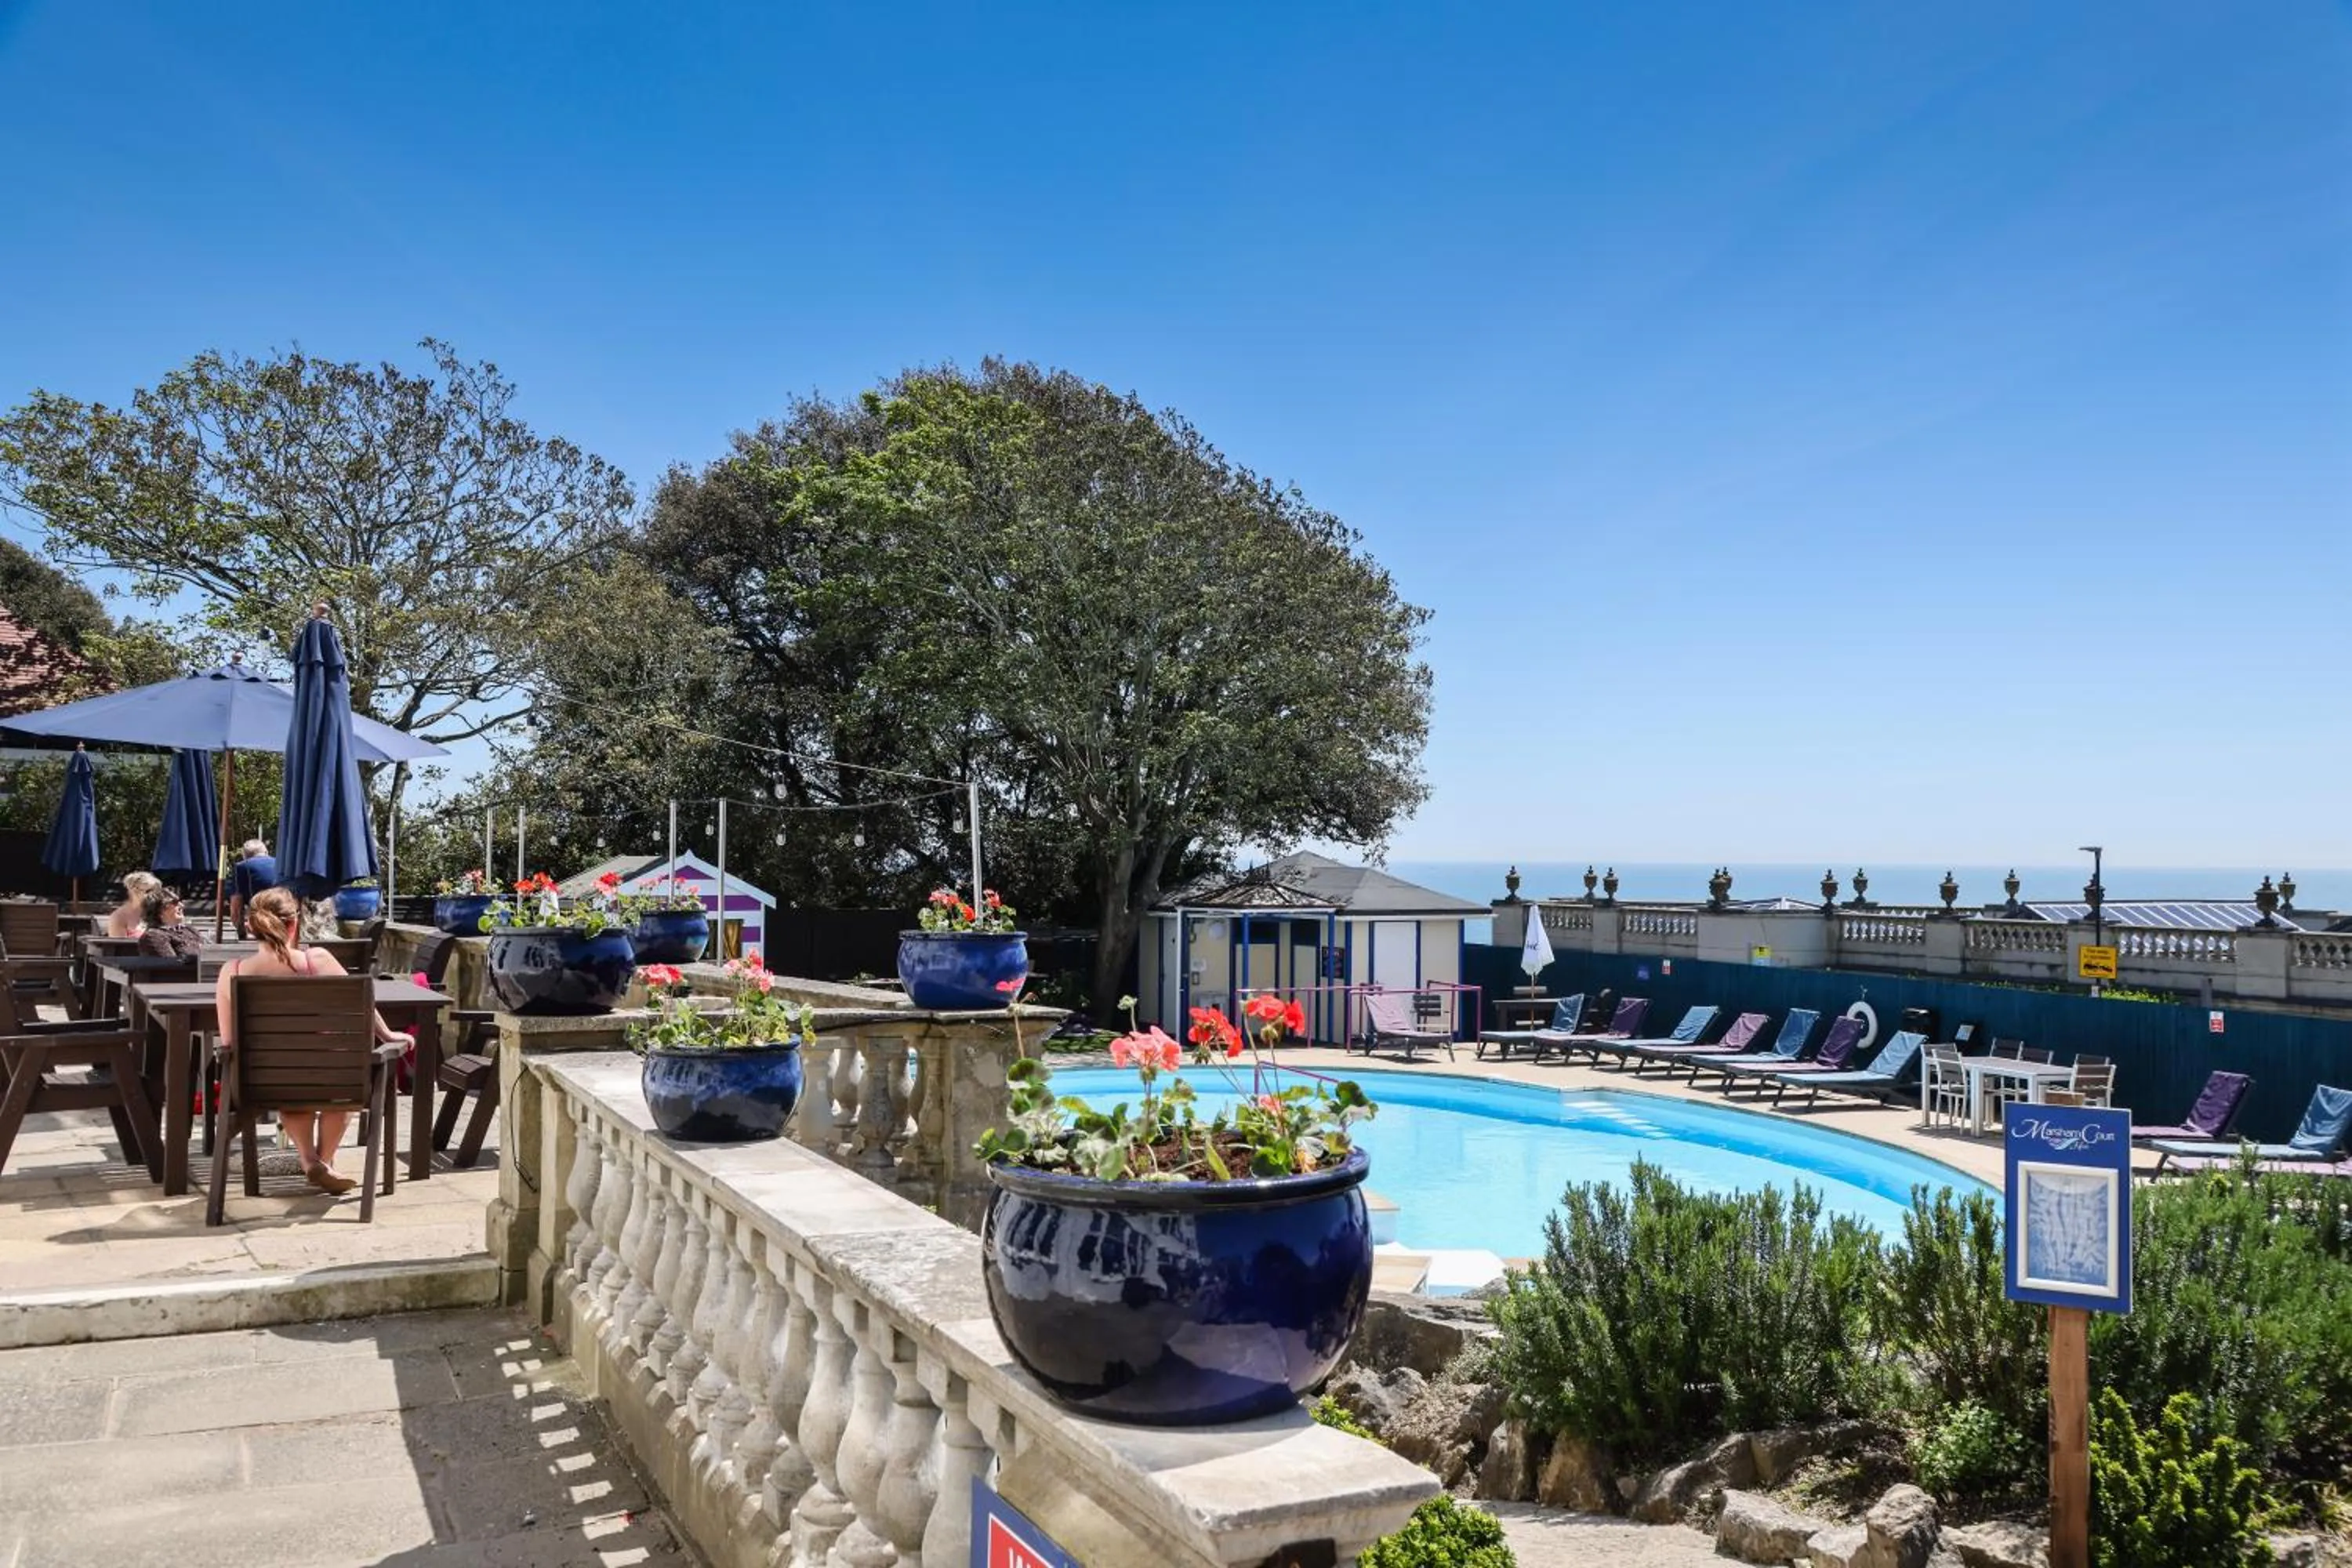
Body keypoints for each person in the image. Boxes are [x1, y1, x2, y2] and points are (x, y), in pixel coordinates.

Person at [214, 887, 412, 1197]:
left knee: (293, 1091)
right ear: (294, 923)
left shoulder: (232, 972)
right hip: (331, 1080)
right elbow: (362, 1007)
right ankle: (323, 1161)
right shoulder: (317, 960)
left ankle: (310, 1160)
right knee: (341, 1089)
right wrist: (388, 1035)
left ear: (251, 926)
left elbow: (228, 1042)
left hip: (263, 1084)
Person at [136, 887, 205, 960]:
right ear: (160, 910)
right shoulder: (153, 936)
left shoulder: (189, 930)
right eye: (175, 903)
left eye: (180, 902)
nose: (182, 906)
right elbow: (171, 964)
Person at [229, 839, 278, 935]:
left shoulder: (241, 867)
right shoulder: (279, 863)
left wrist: (239, 929)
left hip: (259, 912)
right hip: (282, 906)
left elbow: (236, 902)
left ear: (244, 856)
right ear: (266, 852)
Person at [106, 871, 163, 938]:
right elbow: (119, 944)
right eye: (149, 891)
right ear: (134, 891)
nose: (153, 895)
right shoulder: (119, 917)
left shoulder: (158, 911)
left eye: (155, 891)